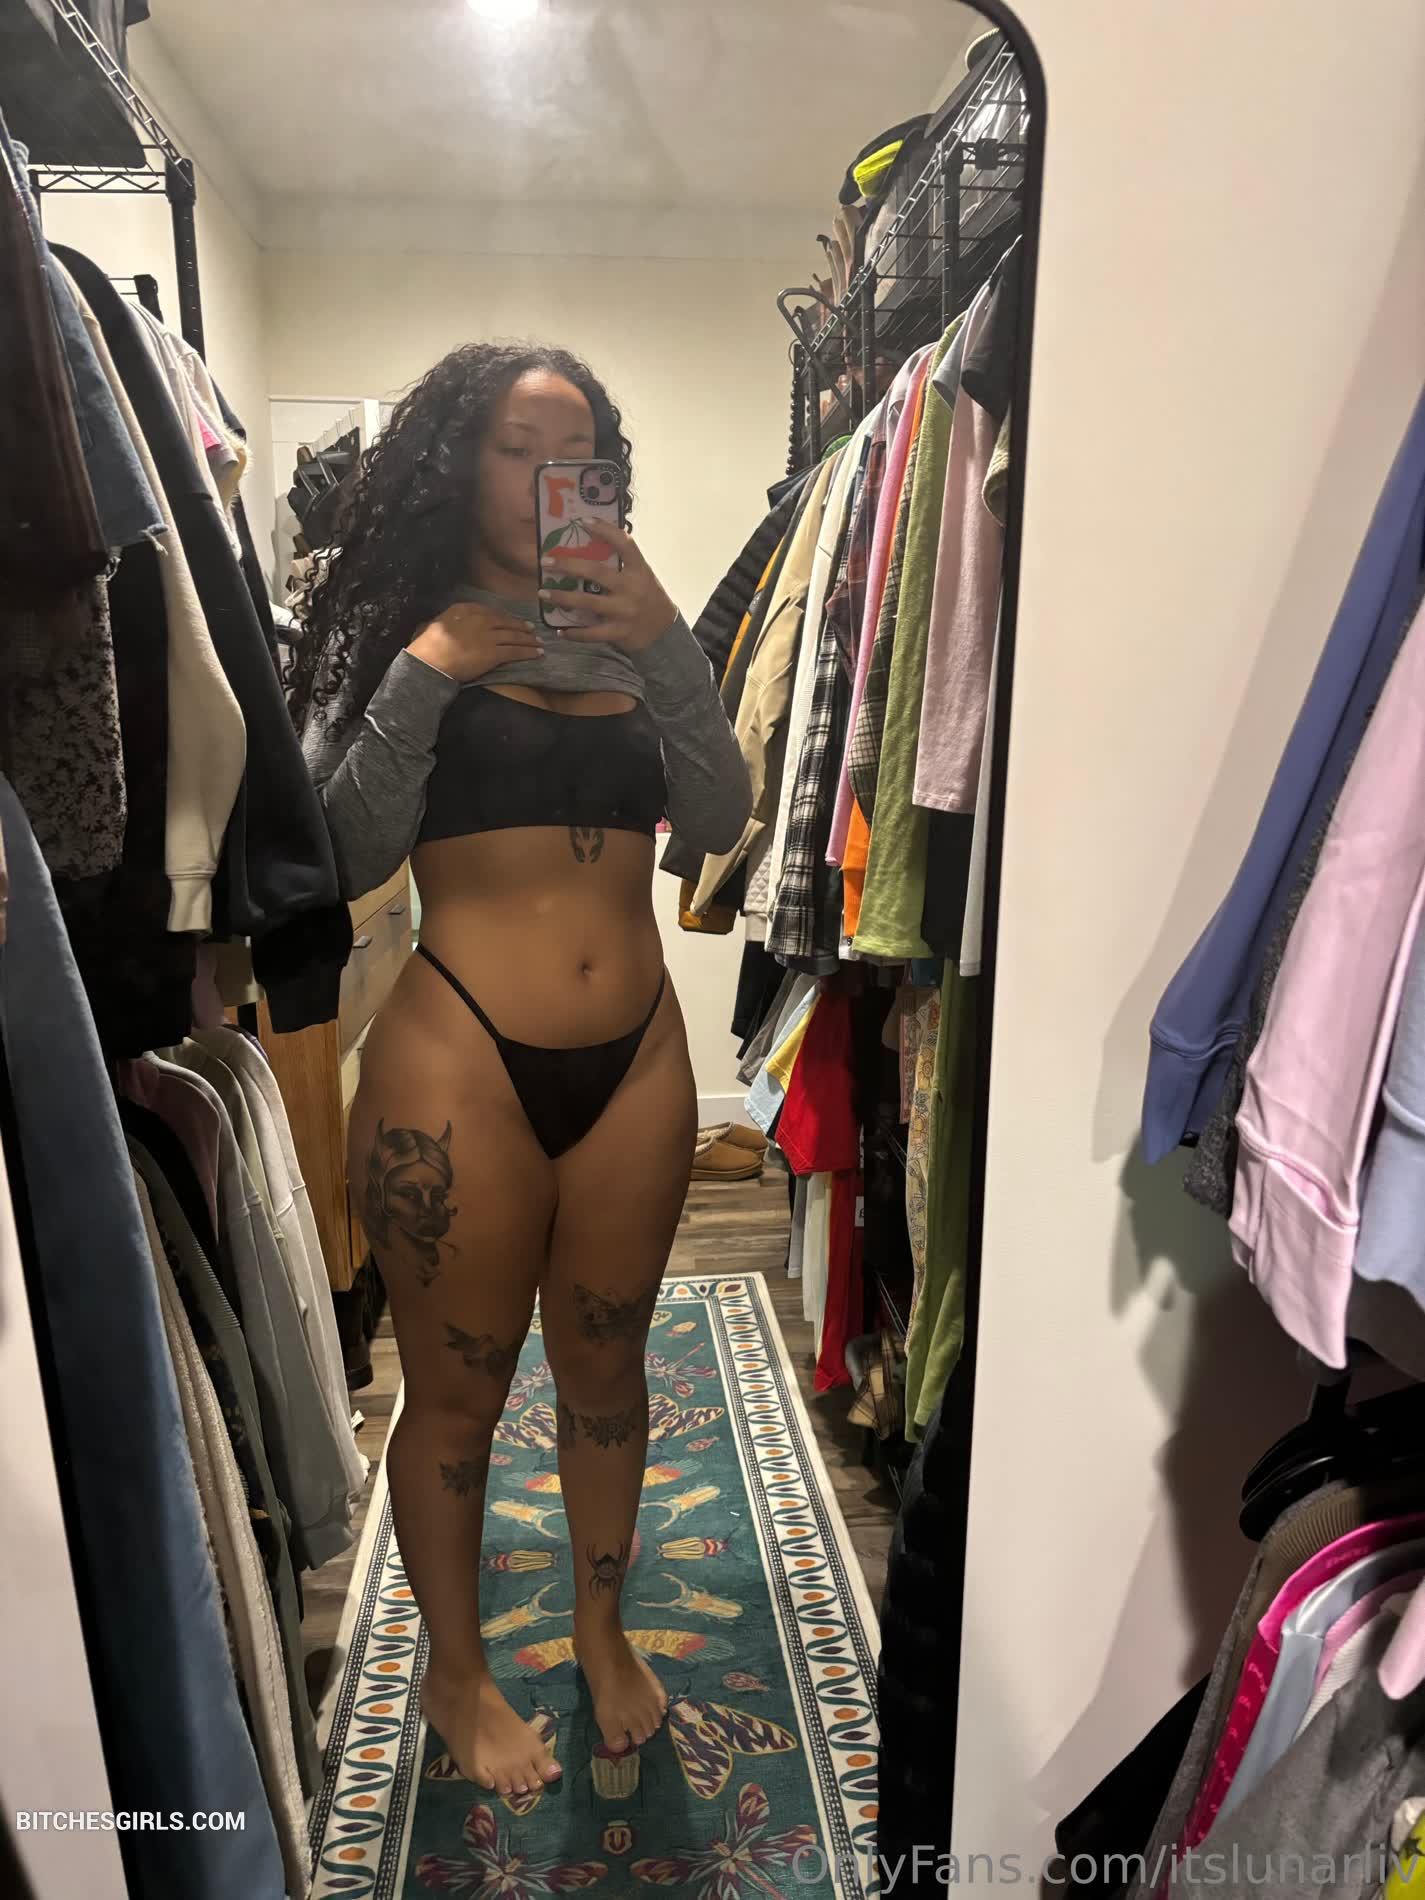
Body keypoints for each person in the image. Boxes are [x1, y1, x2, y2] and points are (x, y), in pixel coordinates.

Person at [289, 343, 751, 1799]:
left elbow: (720, 817)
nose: (555, 476)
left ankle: (602, 1630)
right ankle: (456, 1671)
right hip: (460, 1060)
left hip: (639, 1056)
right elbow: (345, 853)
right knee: (460, 1391)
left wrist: (668, 645)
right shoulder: (399, 634)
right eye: (517, 447)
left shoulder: (635, 632)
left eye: (579, 451)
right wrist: (427, 674)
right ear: (455, 464)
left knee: (607, 1366)